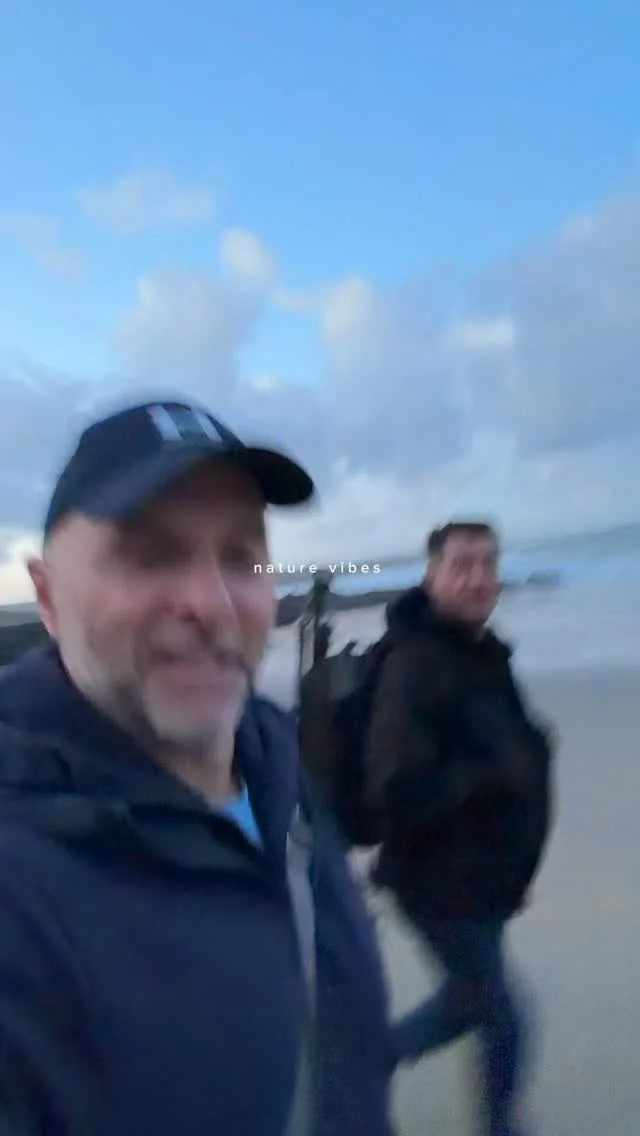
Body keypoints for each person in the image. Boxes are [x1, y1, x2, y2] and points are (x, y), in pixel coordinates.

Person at [0, 399, 394, 1136]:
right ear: (48, 598)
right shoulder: (21, 898)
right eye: (150, 555)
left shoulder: (278, 767)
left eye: (241, 558)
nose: (213, 604)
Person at [364, 520, 555, 1136]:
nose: (478, 578)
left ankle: (358, 1062)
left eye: (487, 564)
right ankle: (368, 1065)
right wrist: (488, 778)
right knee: (501, 1015)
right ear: (432, 577)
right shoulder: (415, 665)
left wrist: (513, 866)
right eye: (461, 565)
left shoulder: (479, 652)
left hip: (483, 878)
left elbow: (501, 751)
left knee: (471, 1001)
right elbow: (395, 788)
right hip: (439, 885)